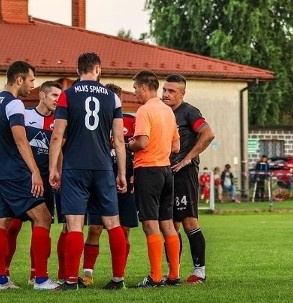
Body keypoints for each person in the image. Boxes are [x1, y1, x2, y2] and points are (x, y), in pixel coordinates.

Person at [48, 52, 128, 291]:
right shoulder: (113, 98)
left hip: (75, 166)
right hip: (103, 166)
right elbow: (119, 140)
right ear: (99, 69)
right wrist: (121, 171)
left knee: (74, 224)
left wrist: (53, 168)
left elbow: (57, 136)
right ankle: (118, 279)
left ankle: (71, 281)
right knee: (113, 223)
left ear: (77, 71)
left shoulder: (66, 95)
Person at [0, 61, 56, 290]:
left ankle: (1, 280)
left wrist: (0, 159)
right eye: (31, 80)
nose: (32, 86)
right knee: (43, 217)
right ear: (19, 80)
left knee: (1, 222)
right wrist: (34, 171)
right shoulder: (14, 103)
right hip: (14, 173)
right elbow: (20, 139)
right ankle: (41, 280)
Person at [81, 84, 138, 287]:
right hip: (101, 181)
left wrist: (135, 175)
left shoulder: (132, 121)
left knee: (123, 229)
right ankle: (88, 274)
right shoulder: (95, 122)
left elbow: (141, 147)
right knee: (95, 228)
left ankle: (119, 274)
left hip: (127, 184)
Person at [5, 81, 61, 285]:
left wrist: (58, 174)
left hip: (46, 181)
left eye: (59, 96)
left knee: (42, 227)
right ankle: (5, 273)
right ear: (42, 96)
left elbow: (60, 150)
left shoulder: (59, 121)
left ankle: (35, 274)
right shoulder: (25, 116)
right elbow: (13, 143)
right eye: (54, 95)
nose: (57, 100)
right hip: (24, 179)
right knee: (13, 226)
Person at [128, 69, 181, 287]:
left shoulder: (144, 110)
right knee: (167, 223)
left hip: (148, 170)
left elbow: (141, 142)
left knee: (150, 225)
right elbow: (176, 146)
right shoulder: (168, 111)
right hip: (166, 171)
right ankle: (174, 275)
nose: (134, 94)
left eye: (135, 89)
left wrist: (125, 144)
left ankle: (155, 276)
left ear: (143, 87)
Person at [163, 74, 215, 284]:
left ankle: (199, 271)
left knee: (189, 222)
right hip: (164, 174)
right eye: (164, 90)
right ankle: (172, 271)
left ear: (182, 94)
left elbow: (208, 134)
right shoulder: (160, 111)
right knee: (168, 225)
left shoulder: (189, 112)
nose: (166, 94)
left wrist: (187, 159)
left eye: (171, 91)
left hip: (184, 174)